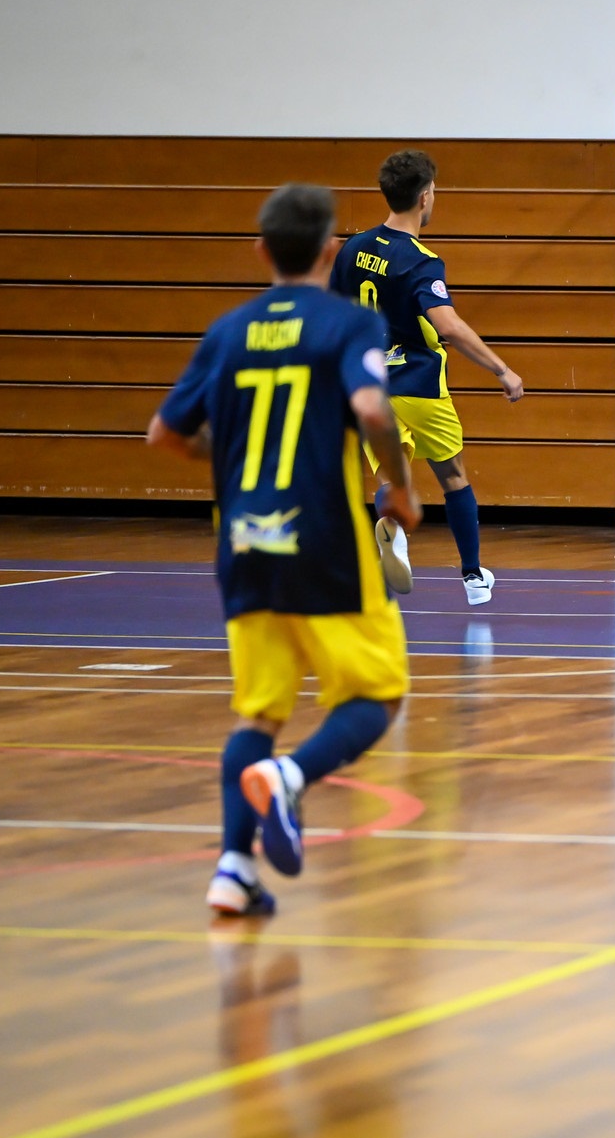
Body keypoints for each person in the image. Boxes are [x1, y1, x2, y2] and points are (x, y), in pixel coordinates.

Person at [147, 183, 421, 917]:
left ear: (261, 249)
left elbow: (164, 434)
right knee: (376, 696)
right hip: (324, 539)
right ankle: (291, 779)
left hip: (243, 539)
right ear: (332, 250)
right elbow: (370, 409)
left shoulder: (228, 331)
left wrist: (231, 453)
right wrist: (400, 487)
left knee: (257, 713)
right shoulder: (347, 322)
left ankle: (234, 869)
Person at [330, 149, 521, 606]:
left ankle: (393, 531)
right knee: (453, 476)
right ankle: (474, 578)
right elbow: (449, 326)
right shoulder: (420, 260)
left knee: (393, 479)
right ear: (424, 196)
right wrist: (502, 369)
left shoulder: (353, 248)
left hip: (370, 386)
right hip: (418, 381)